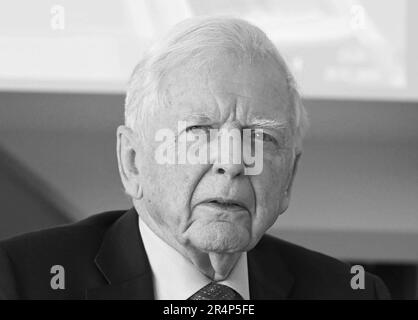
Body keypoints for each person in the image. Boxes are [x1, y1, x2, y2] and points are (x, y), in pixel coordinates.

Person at [0, 16, 390, 300]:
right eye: (199, 133)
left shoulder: (352, 293)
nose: (234, 162)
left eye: (261, 136)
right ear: (133, 161)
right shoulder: (19, 280)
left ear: (288, 178)